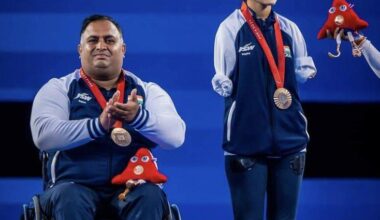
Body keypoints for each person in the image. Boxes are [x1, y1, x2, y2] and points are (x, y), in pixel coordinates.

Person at [30, 14, 186, 220]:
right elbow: (43, 136)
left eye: (110, 40)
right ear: (80, 50)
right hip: (72, 187)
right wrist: (98, 126)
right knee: (69, 197)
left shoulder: (148, 91)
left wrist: (139, 117)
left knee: (150, 195)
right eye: (93, 40)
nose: (101, 46)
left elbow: (175, 136)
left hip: (129, 188)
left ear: (123, 50)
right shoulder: (59, 88)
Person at [211, 0, 316, 219]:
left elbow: (302, 75)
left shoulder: (290, 29)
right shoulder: (230, 28)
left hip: (291, 142)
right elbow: (225, 82)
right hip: (245, 145)